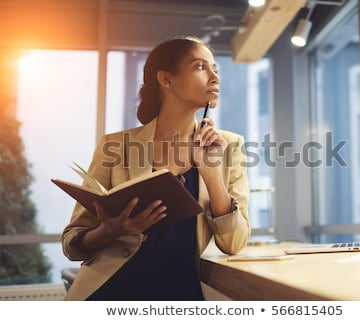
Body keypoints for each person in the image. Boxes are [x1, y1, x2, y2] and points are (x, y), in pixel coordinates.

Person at [61, 36, 250, 301]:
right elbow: (72, 242)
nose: (215, 77)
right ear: (166, 79)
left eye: (215, 69)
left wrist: (212, 174)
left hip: (180, 295)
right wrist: (109, 231)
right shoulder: (115, 146)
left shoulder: (229, 146)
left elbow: (234, 244)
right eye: (200, 67)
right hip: (111, 292)